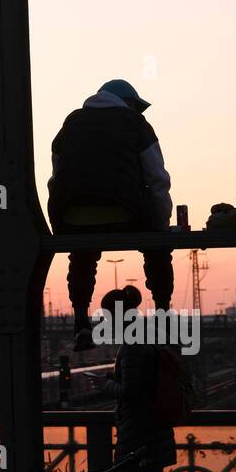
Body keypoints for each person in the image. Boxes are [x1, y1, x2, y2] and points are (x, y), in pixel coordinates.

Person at [48, 79, 174, 351]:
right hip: (127, 214)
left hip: (73, 217)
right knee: (157, 249)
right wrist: (162, 224)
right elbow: (157, 179)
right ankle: (163, 313)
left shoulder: (70, 124)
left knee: (81, 255)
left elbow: (56, 177)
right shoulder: (136, 124)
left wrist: (60, 221)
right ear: (127, 102)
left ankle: (81, 322)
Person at [101, 285, 175, 472]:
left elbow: (131, 392)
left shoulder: (132, 345)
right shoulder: (149, 335)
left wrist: (106, 384)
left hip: (136, 442)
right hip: (157, 438)